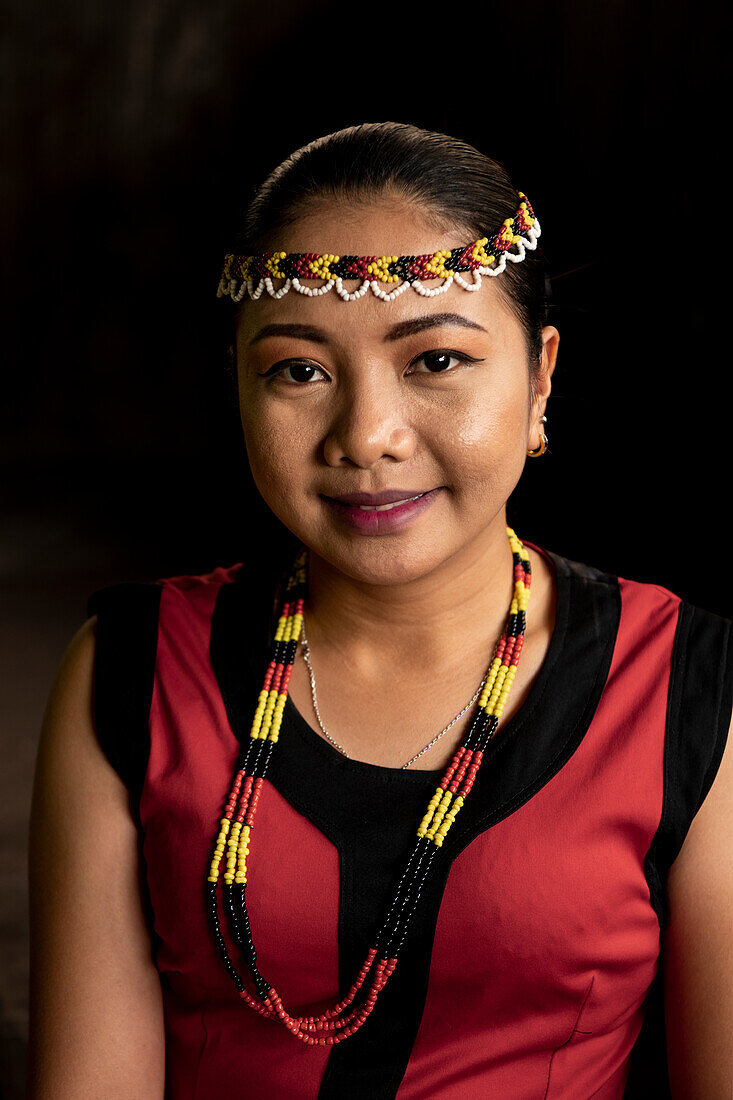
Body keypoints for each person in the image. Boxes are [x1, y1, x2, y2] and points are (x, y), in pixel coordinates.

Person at [27, 122, 733, 1099]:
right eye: (299, 370)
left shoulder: (679, 685)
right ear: (239, 388)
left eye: (435, 360)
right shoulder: (135, 671)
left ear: (539, 379)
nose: (365, 435)